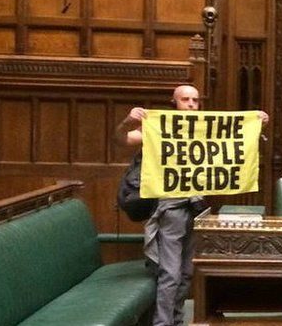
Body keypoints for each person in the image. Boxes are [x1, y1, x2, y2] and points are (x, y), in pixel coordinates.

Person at [114, 85, 268, 326]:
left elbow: (238, 140)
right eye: (185, 99)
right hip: (170, 209)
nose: (191, 104)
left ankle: (176, 320)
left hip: (196, 208)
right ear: (174, 102)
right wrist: (127, 121)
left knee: (186, 274)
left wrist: (257, 123)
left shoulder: (205, 130)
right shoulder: (159, 128)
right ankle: (163, 323)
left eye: (195, 100)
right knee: (170, 274)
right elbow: (121, 139)